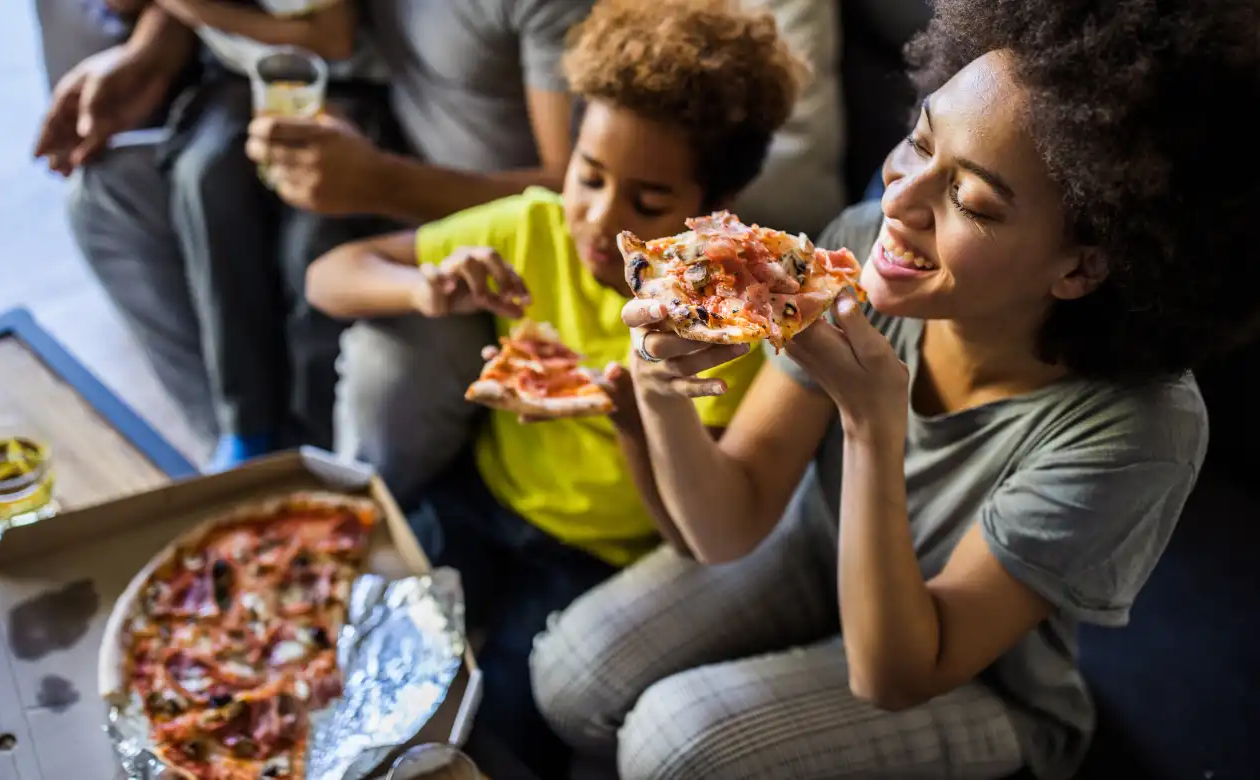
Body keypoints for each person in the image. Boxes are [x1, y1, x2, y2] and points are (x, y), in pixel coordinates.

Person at [529, 1, 1260, 778]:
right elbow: (727, 526)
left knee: (673, 745)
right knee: (570, 676)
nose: (900, 203)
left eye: (971, 201)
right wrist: (659, 380)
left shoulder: (1141, 434)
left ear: (1080, 267)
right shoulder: (856, 244)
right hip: (821, 544)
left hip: (977, 677)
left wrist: (871, 424)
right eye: (918, 139)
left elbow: (894, 676)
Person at [304, 0, 805, 772]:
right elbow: (330, 275)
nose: (599, 220)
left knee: (500, 729)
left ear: (715, 210)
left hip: (599, 558)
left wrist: (638, 419)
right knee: (353, 636)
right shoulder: (534, 227)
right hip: (485, 495)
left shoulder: (730, 325)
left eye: (646, 203)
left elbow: (685, 535)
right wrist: (427, 292)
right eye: (589, 176)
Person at [37, 0, 592, 466]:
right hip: (347, 143)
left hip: (477, 246)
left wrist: (384, 184)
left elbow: (581, 199)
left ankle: (321, 496)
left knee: (387, 373)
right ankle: (243, 457)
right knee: (107, 196)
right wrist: (148, 51)